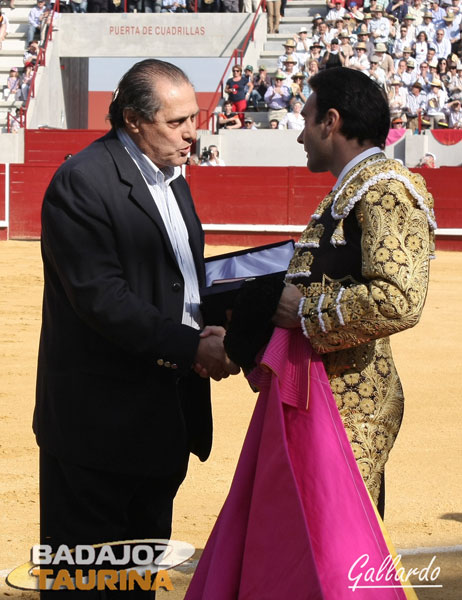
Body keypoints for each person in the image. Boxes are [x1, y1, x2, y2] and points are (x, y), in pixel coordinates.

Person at [34, 59, 238, 599]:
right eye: (177, 122)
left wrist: (230, 321)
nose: (192, 132)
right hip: (96, 431)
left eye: (194, 118)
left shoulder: (174, 181)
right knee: (86, 585)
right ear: (132, 120)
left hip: (159, 422)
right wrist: (193, 346)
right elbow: (103, 300)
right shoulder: (83, 182)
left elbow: (185, 282)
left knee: (137, 582)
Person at [226, 67, 435, 518]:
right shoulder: (353, 191)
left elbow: (398, 300)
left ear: (331, 122)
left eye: (306, 120)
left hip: (350, 406)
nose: (301, 135)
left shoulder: (385, 192)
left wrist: (304, 310)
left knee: (336, 538)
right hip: (323, 393)